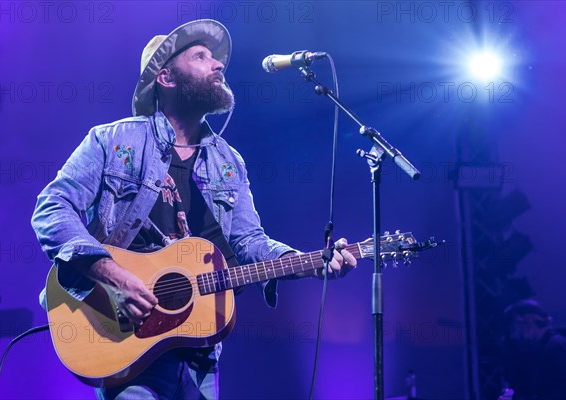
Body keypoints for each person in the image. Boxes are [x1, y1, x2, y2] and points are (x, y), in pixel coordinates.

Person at [31, 19, 356, 400]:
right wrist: (114, 276)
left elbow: (250, 241)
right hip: (126, 340)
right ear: (167, 78)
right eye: (201, 57)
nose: (218, 65)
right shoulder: (113, 140)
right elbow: (52, 210)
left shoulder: (228, 161)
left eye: (216, 59)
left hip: (200, 350)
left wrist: (308, 262)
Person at [500, 299, 566, 400]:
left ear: (528, 322)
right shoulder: (533, 349)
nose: (513, 333)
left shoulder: (557, 346)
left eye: (515, 326)